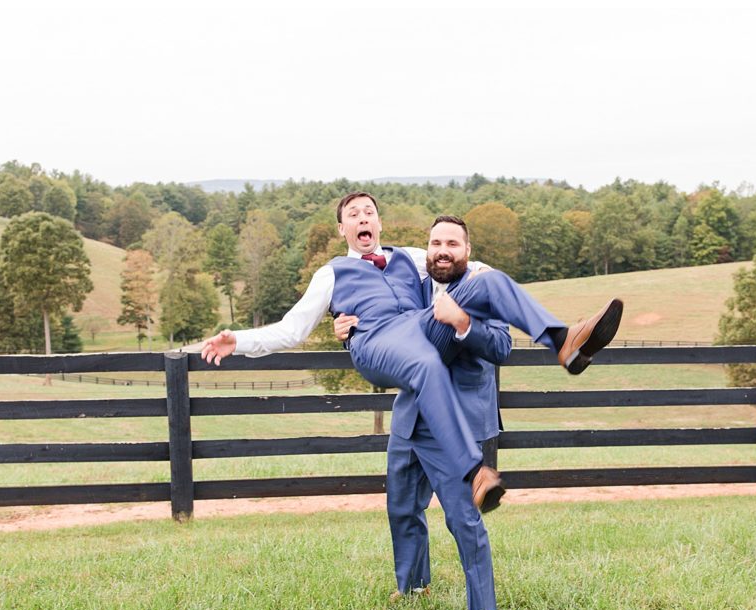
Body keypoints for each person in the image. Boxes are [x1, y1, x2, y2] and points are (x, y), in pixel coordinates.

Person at [200, 191, 623, 509]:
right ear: (343, 230)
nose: (362, 218)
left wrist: (487, 277)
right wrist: (238, 340)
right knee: (424, 366)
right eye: (353, 215)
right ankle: (474, 471)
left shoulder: (411, 257)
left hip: (417, 331)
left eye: (369, 212)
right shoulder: (331, 274)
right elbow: (291, 330)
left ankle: (563, 342)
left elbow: (461, 265)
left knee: (489, 282)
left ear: (379, 224)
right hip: (382, 345)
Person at [334, 215, 509, 610]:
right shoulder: (415, 285)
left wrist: (463, 324)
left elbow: (502, 345)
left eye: (452, 242)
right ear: (425, 249)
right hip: (411, 416)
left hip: (460, 424)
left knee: (463, 519)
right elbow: (384, 335)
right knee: (401, 506)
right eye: (435, 242)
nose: (442, 249)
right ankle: (413, 586)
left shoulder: (483, 285)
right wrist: (348, 332)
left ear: (468, 248)